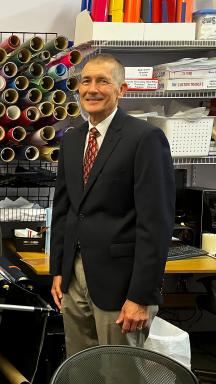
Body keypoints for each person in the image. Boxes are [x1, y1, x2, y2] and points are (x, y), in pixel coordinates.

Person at [50, 53, 175, 356]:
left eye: (103, 81)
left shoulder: (145, 138)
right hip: (74, 278)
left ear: (122, 90)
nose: (92, 89)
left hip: (121, 285)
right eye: (86, 81)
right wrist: (59, 270)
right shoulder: (72, 139)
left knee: (119, 372)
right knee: (80, 369)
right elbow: (65, 209)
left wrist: (141, 296)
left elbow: (155, 223)